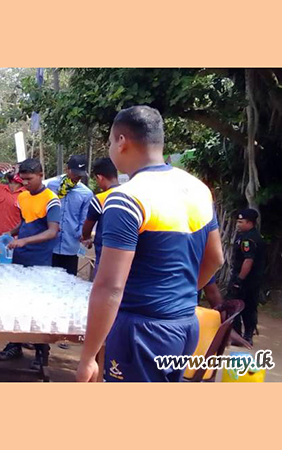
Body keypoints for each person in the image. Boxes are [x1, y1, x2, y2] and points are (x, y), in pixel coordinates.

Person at [76, 105, 224, 382]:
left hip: (141, 331)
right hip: (184, 325)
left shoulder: (127, 198)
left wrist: (87, 358)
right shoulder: (198, 189)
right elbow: (216, 258)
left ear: (122, 142)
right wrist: (176, 298)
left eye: (109, 141)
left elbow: (110, 286)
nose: (110, 148)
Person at [0, 158, 61, 369]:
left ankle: (42, 352)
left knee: (39, 306)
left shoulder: (52, 200)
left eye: (29, 179)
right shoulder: (23, 197)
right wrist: (12, 232)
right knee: (17, 303)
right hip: (20, 258)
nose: (25, 183)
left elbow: (52, 231)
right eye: (22, 180)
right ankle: (15, 344)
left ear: (41, 175)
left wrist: (24, 240)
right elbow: (25, 221)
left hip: (39, 261)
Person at [46, 155, 93, 275]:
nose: (77, 177)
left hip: (71, 247)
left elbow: (84, 219)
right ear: (67, 169)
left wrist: (82, 236)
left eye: (80, 174)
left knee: (68, 283)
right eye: (75, 172)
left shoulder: (86, 193)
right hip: (50, 245)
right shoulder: (51, 186)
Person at [229, 208, 266, 346]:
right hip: (248, 279)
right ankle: (238, 334)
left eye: (241, 222)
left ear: (250, 223)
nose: (238, 224)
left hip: (248, 280)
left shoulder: (249, 239)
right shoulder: (243, 235)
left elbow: (248, 261)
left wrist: (239, 280)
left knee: (245, 306)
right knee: (239, 306)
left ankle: (246, 335)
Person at [81, 157, 120, 278]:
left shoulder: (100, 199)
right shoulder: (131, 195)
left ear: (100, 177)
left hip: (104, 255)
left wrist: (86, 238)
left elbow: (87, 227)